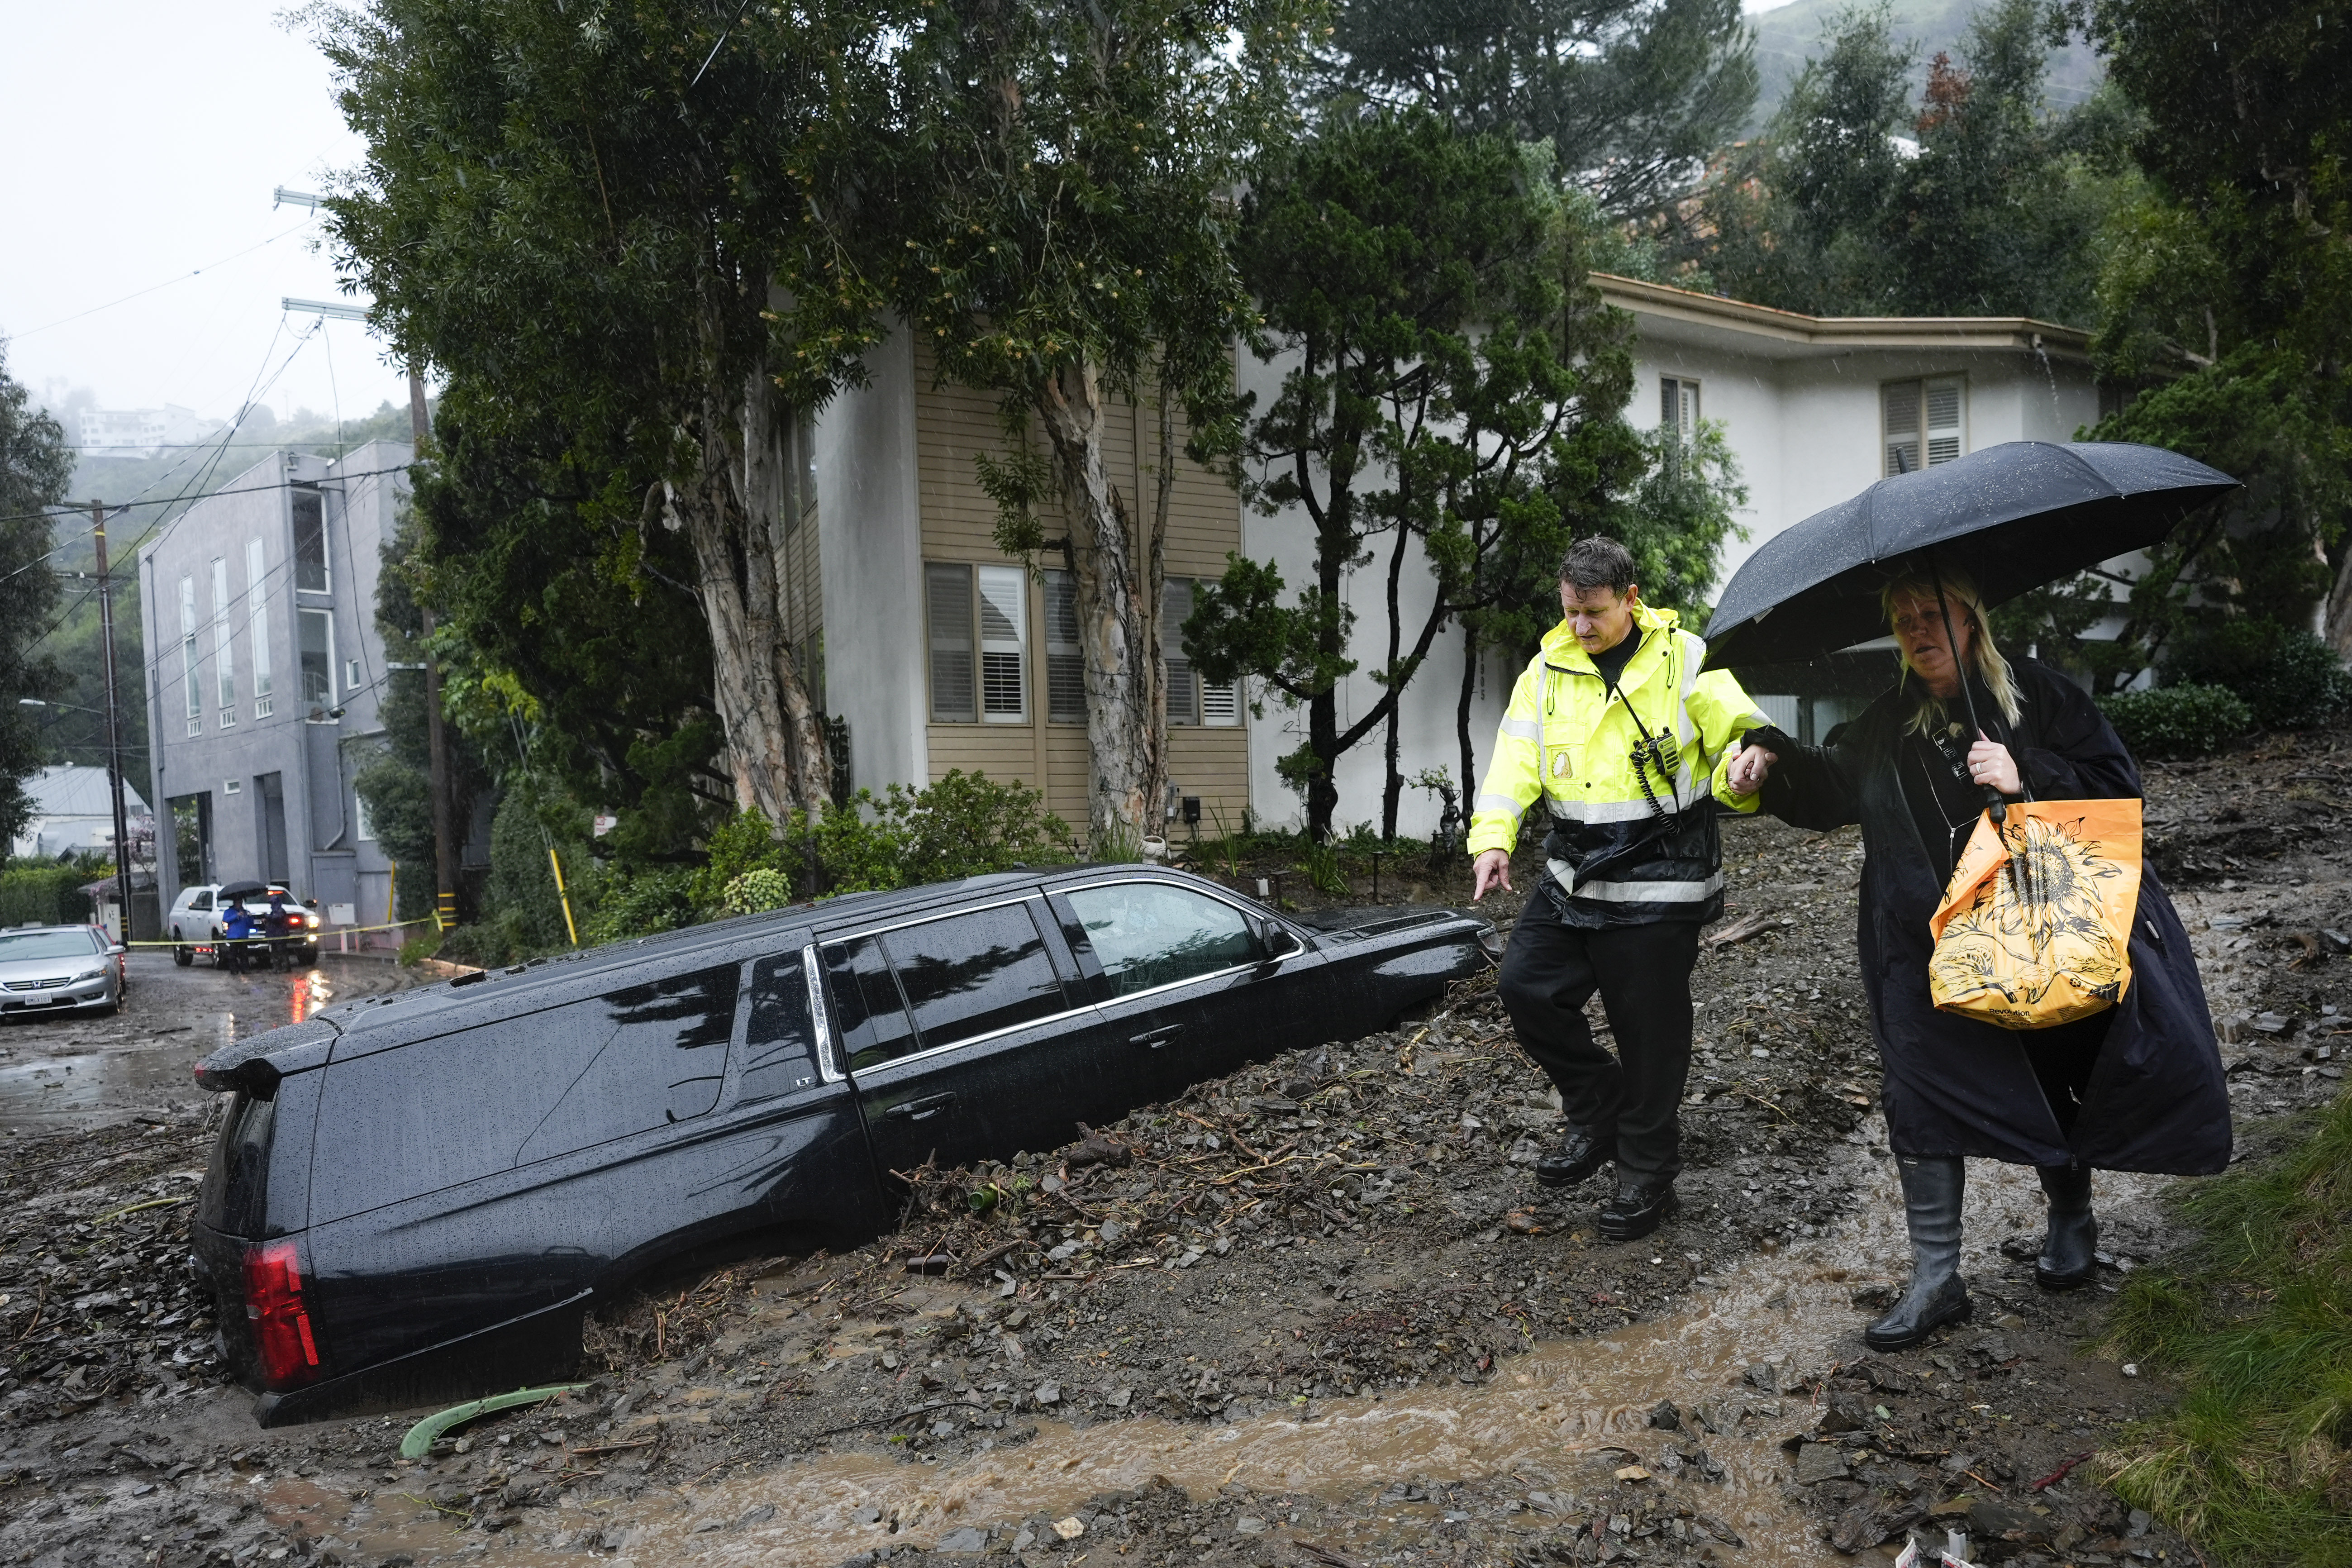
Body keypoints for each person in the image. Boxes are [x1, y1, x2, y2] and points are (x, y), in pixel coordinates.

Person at [1724, 561, 2229, 1349]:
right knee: (1918, 1094)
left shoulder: (2039, 697)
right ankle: (1935, 1279)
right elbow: (1831, 790)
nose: (1917, 633)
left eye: (1930, 615)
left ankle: (2069, 1216)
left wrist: (2027, 774)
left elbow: (2118, 788)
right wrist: (1770, 759)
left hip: (2036, 931)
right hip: (1922, 942)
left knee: (2053, 1072)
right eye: (1902, 622)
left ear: (1969, 618)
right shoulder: (1886, 721)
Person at [1469, 538, 1774, 1241]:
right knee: (1525, 988)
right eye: (1571, 611)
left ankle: (1646, 1173)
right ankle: (1597, 1106)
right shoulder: (1544, 671)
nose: (1580, 627)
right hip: (1574, 873)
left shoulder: (1686, 657)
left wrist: (1748, 763)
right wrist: (1493, 837)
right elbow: (1513, 761)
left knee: (1650, 1035)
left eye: (1594, 613)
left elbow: (1739, 727)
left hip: (1660, 878)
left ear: (1629, 600)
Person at [219, 897, 254, 973]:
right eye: (238, 903)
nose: (239, 904)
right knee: (233, 955)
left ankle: (245, 969)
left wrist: (250, 917)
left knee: (244, 955)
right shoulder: (229, 912)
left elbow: (250, 924)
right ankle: (234, 970)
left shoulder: (245, 912)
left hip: (243, 936)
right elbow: (226, 920)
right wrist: (237, 916)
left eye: (241, 903)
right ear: (235, 903)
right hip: (233, 936)